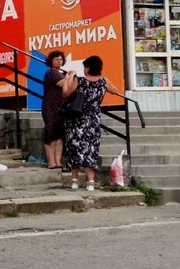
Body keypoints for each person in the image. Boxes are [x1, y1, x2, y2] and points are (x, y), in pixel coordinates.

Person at [62, 54, 122, 191]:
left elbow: (66, 94)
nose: (84, 70)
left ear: (88, 68)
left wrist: (67, 79)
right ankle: (90, 182)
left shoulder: (81, 81)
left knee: (74, 148)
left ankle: (75, 180)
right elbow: (115, 91)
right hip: (93, 119)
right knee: (91, 149)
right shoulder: (103, 81)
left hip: (77, 119)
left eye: (85, 67)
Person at [40, 50, 68, 170]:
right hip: (50, 106)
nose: (59, 61)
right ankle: (51, 161)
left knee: (59, 135)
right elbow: (63, 84)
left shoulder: (61, 73)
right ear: (51, 61)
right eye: (56, 59)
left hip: (60, 106)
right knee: (50, 133)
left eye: (60, 59)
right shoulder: (51, 73)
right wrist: (70, 77)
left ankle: (58, 161)